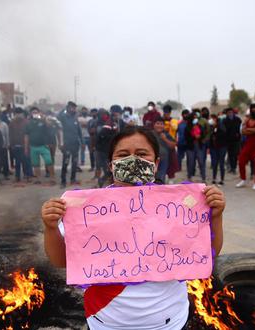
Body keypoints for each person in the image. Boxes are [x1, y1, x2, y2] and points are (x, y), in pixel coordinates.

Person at [41, 125, 226, 330]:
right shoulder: (88, 209)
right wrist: (50, 227)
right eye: (123, 154)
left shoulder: (180, 205)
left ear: (155, 164)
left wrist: (216, 216)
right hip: (106, 321)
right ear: (111, 165)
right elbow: (59, 260)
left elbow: (210, 252)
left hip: (169, 322)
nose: (133, 160)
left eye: (141, 154)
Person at [237, 104, 255, 190]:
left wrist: (249, 130)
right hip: (248, 144)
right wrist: (253, 130)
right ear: (251, 110)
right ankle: (243, 179)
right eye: (253, 109)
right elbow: (242, 131)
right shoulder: (247, 119)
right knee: (241, 161)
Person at [24, 108, 55, 185]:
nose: (35, 114)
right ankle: (38, 179)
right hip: (33, 146)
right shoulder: (28, 123)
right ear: (30, 114)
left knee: (49, 161)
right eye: (33, 112)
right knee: (36, 164)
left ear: (39, 113)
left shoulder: (43, 121)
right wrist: (26, 147)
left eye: (36, 112)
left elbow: (49, 125)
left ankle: (52, 178)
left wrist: (43, 118)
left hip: (43, 145)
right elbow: (26, 136)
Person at [57, 101, 82, 188]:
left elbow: (79, 131)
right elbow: (58, 116)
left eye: (74, 108)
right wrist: (64, 109)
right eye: (72, 107)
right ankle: (63, 181)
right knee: (65, 163)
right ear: (68, 108)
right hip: (67, 144)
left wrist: (81, 142)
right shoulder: (63, 117)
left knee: (74, 163)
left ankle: (73, 179)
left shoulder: (75, 118)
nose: (74, 109)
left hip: (75, 144)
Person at [95, 109, 118, 188]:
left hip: (108, 150)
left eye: (105, 114)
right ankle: (101, 181)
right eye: (102, 114)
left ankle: (103, 181)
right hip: (102, 150)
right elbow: (99, 137)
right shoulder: (100, 124)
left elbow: (114, 136)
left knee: (109, 169)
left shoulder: (112, 124)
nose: (104, 116)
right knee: (106, 169)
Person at [153, 116, 176, 183]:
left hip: (164, 160)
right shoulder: (150, 134)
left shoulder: (167, 134)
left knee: (161, 177)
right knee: (152, 177)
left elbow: (173, 145)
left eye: (161, 124)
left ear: (164, 126)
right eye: (157, 123)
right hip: (152, 159)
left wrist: (165, 139)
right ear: (154, 125)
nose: (159, 126)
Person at [9, 108, 30, 182]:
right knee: (17, 162)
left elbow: (29, 134)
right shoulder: (12, 123)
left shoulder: (27, 122)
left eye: (19, 113)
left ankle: (26, 175)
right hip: (15, 145)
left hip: (25, 145)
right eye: (16, 113)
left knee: (25, 162)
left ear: (22, 114)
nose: (18, 115)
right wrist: (11, 145)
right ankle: (17, 177)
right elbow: (10, 134)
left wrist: (27, 145)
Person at [223, 108, 242, 175]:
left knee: (235, 154)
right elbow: (224, 130)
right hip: (228, 140)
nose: (230, 114)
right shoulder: (225, 120)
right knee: (230, 155)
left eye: (231, 112)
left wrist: (238, 135)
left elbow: (240, 129)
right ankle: (231, 167)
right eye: (228, 112)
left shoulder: (238, 120)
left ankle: (234, 168)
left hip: (236, 140)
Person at [210, 114, 227, 185]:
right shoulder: (212, 128)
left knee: (221, 163)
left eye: (213, 120)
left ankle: (222, 179)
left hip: (221, 147)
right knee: (214, 163)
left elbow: (223, 135)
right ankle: (214, 178)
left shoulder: (221, 127)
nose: (212, 121)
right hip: (214, 148)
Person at [0, 114, 10, 180]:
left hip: (3, 145)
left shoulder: (4, 124)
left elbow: (7, 135)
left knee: (5, 161)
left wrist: (7, 144)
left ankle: (6, 174)